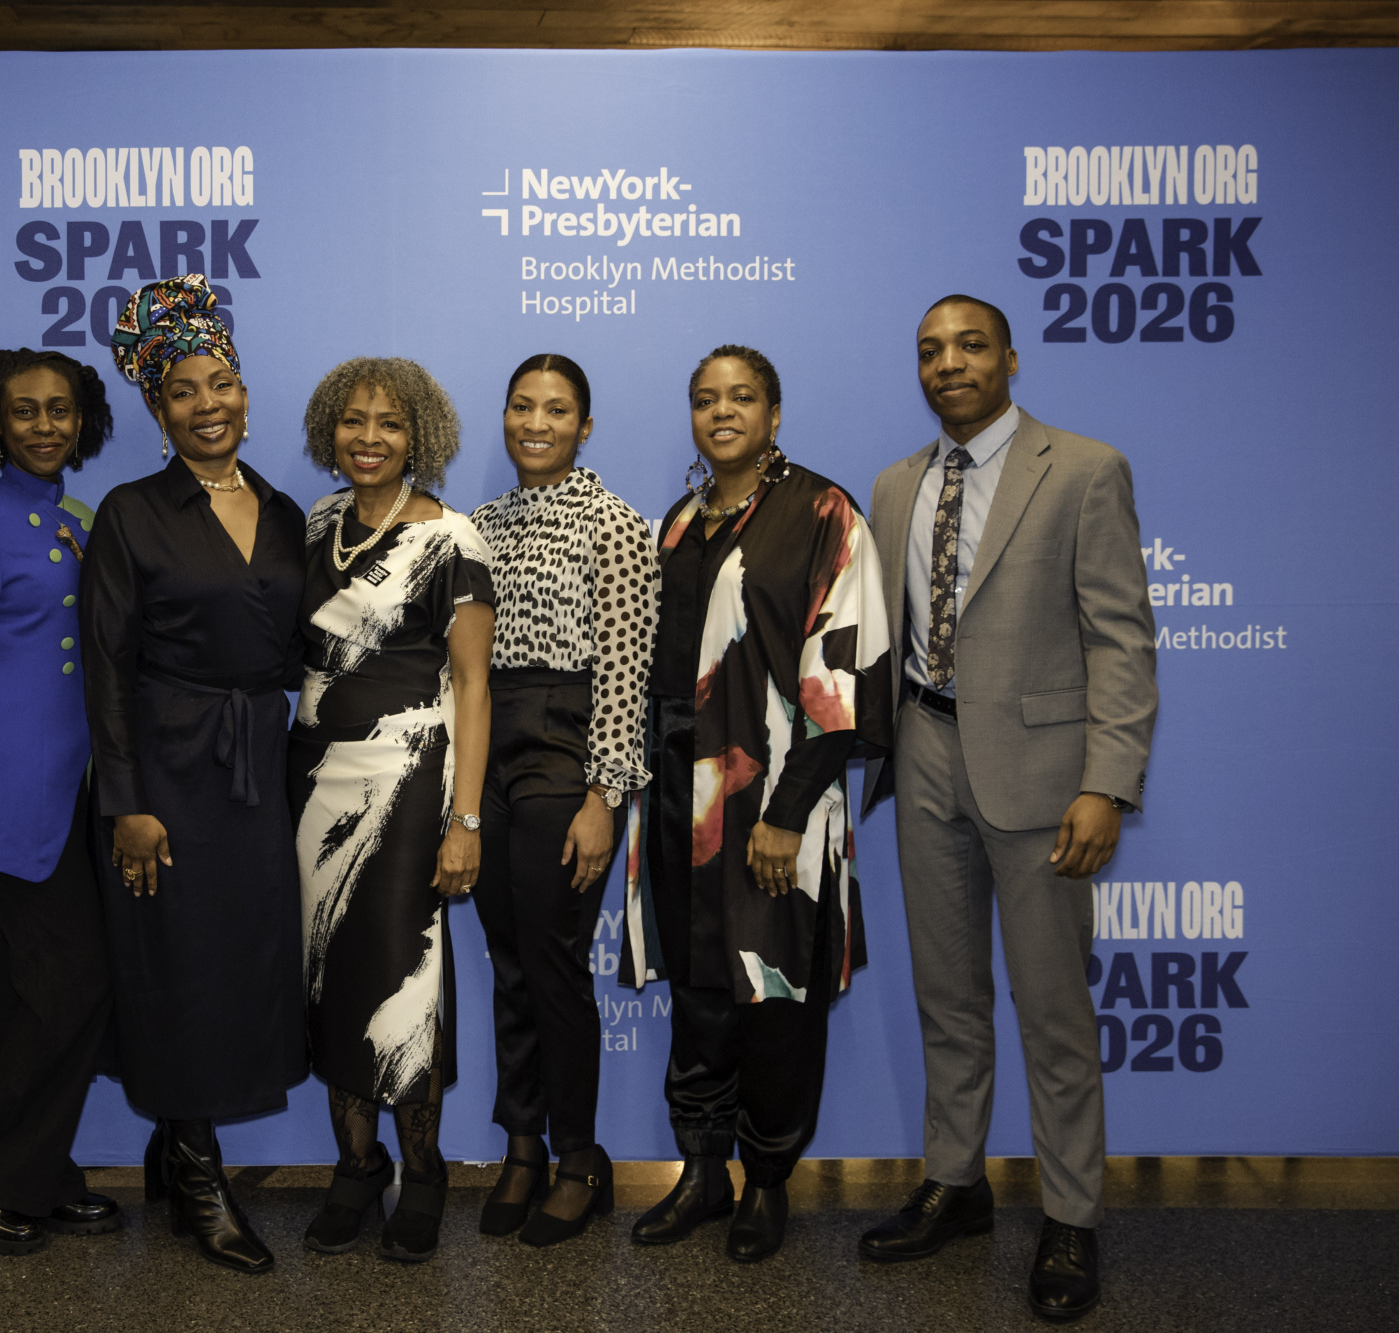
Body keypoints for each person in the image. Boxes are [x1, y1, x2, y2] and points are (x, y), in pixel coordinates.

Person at [856, 295, 1156, 1324]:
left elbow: (1119, 638)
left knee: (1052, 1008)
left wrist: (1104, 781)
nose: (949, 364)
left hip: (1041, 778)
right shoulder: (894, 486)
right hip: (923, 755)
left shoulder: (1080, 469)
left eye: (969, 346)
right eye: (929, 350)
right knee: (948, 999)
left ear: (1010, 359)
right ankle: (957, 1183)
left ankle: (1069, 1213)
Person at [624, 344, 891, 1264]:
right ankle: (703, 1173)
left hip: (779, 804)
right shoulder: (680, 521)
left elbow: (843, 675)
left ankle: (768, 1182)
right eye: (705, 399)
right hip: (681, 805)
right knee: (700, 997)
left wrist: (786, 812)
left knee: (774, 998)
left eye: (742, 397)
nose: (722, 412)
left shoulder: (824, 512)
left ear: (775, 414)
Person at [83, 275, 308, 1276]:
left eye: (221, 382)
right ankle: (198, 1167)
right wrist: (125, 802)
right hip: (168, 767)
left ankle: (177, 1154)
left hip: (263, 767)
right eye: (182, 390)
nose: (207, 403)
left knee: (243, 959)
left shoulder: (288, 510)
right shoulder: (131, 514)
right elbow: (104, 669)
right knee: (179, 962)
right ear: (155, 408)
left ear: (246, 395)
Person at [293, 357, 495, 1264]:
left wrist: (466, 821)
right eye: (353, 421)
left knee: (401, 980)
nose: (369, 438)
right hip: (312, 784)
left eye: (390, 424)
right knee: (329, 977)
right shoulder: (314, 525)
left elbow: (474, 685)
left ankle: (426, 1171)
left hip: (412, 783)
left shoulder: (454, 537)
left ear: (423, 436)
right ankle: (355, 1167)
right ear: (328, 430)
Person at [0, 347, 121, 1254]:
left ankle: (36, 1170)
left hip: (79, 799)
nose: (46, 425)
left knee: (43, 992)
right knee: (67, 985)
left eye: (62, 409)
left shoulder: (74, 515)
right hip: (8, 798)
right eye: (26, 411)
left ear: (84, 421)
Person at [467, 354, 657, 1246]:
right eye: (521, 405)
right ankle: (521, 1145)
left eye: (557, 409)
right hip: (487, 746)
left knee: (552, 963)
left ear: (585, 425)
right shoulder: (478, 526)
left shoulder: (614, 524)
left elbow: (627, 670)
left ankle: (581, 1156)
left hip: (566, 748)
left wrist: (605, 795)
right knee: (509, 960)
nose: (535, 421)